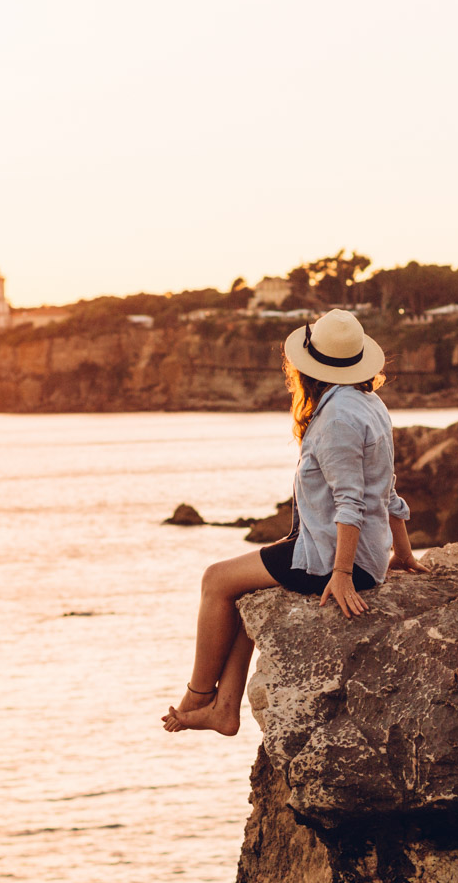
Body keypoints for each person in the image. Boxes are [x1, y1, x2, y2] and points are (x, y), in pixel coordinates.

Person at [162, 309, 429, 736]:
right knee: (243, 587)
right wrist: (401, 552)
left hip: (335, 561)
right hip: (360, 555)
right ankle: (224, 708)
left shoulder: (338, 418)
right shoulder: (369, 403)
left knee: (215, 580)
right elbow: (386, 487)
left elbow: (352, 501)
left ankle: (198, 694)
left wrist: (341, 574)